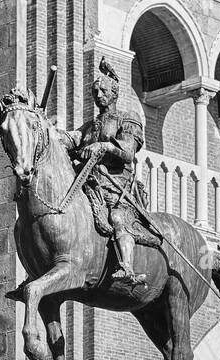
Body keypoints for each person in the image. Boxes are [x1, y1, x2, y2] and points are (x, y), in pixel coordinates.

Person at [59, 58, 146, 286]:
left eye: (103, 90)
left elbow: (127, 151)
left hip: (116, 185)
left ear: (114, 93)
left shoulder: (128, 119)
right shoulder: (90, 126)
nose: (98, 95)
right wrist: (47, 131)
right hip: (89, 185)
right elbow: (71, 139)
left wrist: (104, 146)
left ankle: (127, 267)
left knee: (117, 218)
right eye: (95, 91)